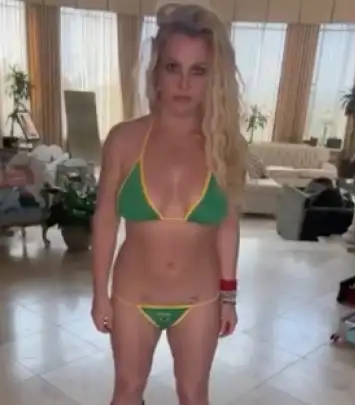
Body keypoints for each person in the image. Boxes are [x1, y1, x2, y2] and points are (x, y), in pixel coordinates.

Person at [90, 3, 247, 405]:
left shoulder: (225, 147)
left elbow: (228, 226)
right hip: (132, 296)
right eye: (173, 67)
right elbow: (105, 219)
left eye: (199, 71)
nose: (184, 83)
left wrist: (229, 297)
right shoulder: (124, 140)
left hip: (200, 299)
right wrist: (99, 293)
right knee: (127, 392)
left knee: (194, 395)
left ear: (213, 78)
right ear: (156, 71)